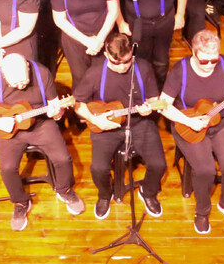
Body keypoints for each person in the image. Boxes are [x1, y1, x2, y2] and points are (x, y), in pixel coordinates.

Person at [0, 53, 85, 231]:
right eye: (15, 83)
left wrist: (57, 113)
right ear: (4, 74)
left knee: (63, 159)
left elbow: (55, 107)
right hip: (9, 129)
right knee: (7, 168)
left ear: (27, 66)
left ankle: (64, 190)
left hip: (41, 124)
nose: (21, 85)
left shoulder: (42, 73)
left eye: (23, 81)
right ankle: (20, 202)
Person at [159, 30, 224, 234]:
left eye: (213, 60)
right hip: (189, 124)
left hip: (222, 121)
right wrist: (187, 120)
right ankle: (202, 211)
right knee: (206, 170)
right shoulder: (180, 70)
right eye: (204, 60)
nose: (209, 65)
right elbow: (164, 106)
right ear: (194, 53)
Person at [72, 33, 167, 220]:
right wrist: (94, 119)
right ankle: (104, 195)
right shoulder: (95, 73)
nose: (122, 66)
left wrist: (149, 108)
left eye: (126, 61)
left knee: (159, 164)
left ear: (132, 51)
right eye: (116, 63)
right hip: (106, 125)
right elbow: (78, 103)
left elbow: (154, 99)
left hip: (139, 122)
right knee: (98, 168)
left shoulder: (144, 68)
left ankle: (147, 192)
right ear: (107, 56)